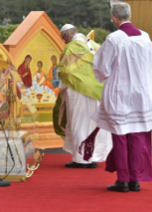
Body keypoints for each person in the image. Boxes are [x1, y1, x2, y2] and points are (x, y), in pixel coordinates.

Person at [87, 2, 152, 192]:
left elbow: (102, 68)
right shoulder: (145, 37)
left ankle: (123, 180)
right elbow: (149, 60)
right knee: (136, 136)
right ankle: (135, 179)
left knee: (120, 137)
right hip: (141, 94)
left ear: (115, 18)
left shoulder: (114, 38)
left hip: (120, 94)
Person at [53, 24, 112, 168]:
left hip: (78, 90)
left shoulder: (71, 47)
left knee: (79, 123)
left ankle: (81, 159)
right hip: (97, 91)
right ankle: (92, 157)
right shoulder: (94, 44)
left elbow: (64, 72)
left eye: (63, 39)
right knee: (93, 125)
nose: (64, 42)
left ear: (67, 36)